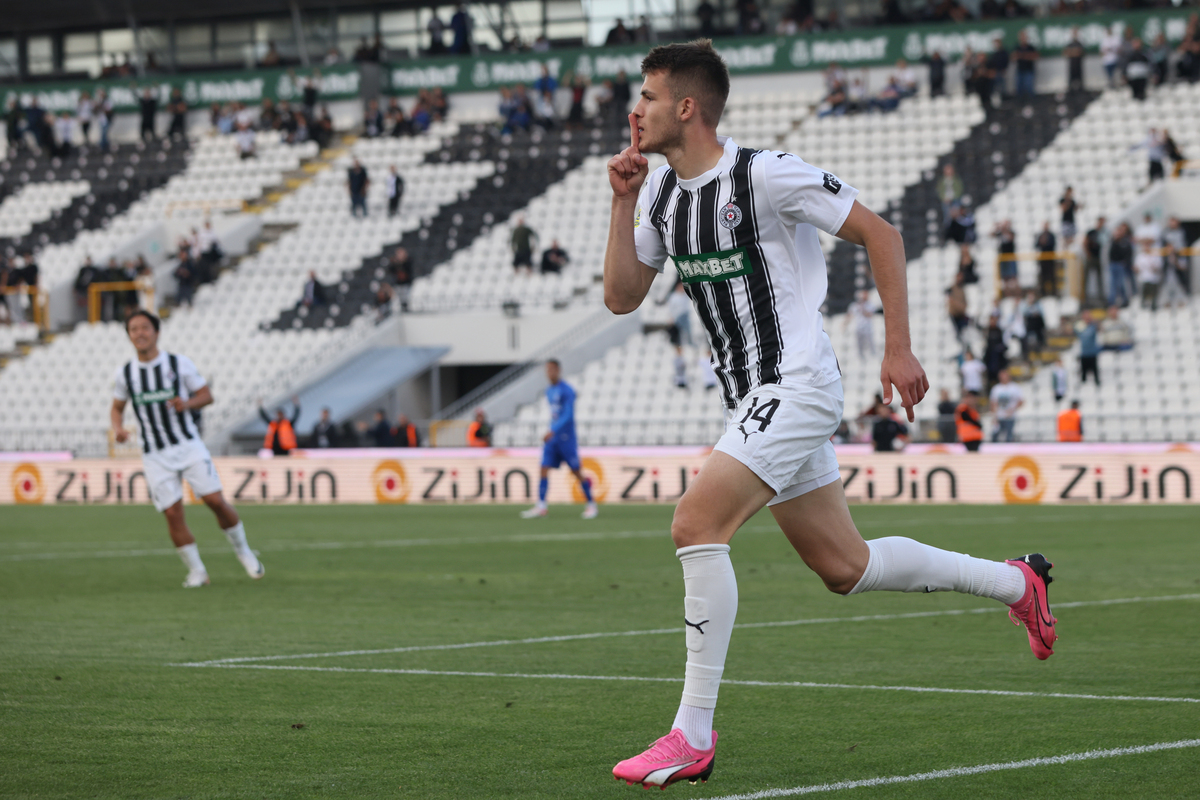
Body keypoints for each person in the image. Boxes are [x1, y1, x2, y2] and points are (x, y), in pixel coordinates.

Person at [604, 40, 1057, 788]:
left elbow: (882, 233)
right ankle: (1019, 585)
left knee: (695, 524)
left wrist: (899, 348)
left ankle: (691, 733)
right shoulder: (656, 195)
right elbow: (622, 296)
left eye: (647, 96)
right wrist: (621, 204)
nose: (635, 109)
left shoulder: (764, 175)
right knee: (845, 568)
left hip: (797, 382)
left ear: (686, 107)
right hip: (750, 395)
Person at [111, 310, 264, 588]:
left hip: (188, 445)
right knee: (172, 513)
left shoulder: (177, 364)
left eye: (145, 327)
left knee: (215, 501)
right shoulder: (126, 374)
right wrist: (118, 429)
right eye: (134, 329)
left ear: (156, 332)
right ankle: (197, 572)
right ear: (129, 336)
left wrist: (187, 403)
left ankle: (244, 551)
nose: (140, 333)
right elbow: (116, 408)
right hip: (155, 454)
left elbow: (206, 395)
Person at [520, 359, 597, 519]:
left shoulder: (567, 390)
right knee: (543, 468)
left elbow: (568, 415)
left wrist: (552, 430)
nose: (549, 373)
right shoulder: (549, 391)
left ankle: (591, 504)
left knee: (576, 472)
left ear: (558, 370)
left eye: (552, 369)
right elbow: (555, 415)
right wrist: (551, 431)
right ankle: (541, 506)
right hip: (553, 438)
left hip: (566, 438)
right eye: (547, 370)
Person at [989, 369, 1022, 442]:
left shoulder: (1015, 387)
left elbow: (1021, 401)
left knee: (1009, 436)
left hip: (1010, 417)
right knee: (995, 436)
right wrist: (994, 416)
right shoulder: (996, 388)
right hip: (999, 416)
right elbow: (993, 403)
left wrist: (1012, 409)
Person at [1108, 223, 1134, 307]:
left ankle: (1124, 300)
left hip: (1120, 264)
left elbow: (1127, 252)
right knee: (1113, 284)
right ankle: (1112, 301)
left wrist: (1125, 262)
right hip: (1113, 264)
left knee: (1120, 283)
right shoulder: (1114, 241)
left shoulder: (1125, 242)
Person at [1082, 217, 1106, 307]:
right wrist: (1088, 254)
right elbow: (1085, 243)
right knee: (1087, 277)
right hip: (1091, 257)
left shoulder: (1103, 233)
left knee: (1099, 278)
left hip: (1098, 257)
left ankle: (1101, 296)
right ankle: (1085, 297)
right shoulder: (1091, 232)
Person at [845, 289, 876, 357]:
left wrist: (862, 308)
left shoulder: (870, 305)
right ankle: (861, 356)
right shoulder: (854, 305)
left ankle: (873, 355)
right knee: (859, 344)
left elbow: (869, 314)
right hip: (858, 327)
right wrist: (845, 324)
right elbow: (849, 315)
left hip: (868, 328)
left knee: (870, 343)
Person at [1134, 240, 1162, 311]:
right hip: (1143, 278)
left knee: (1153, 294)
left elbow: (1158, 267)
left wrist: (1153, 267)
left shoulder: (1155, 255)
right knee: (1144, 293)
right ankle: (1143, 306)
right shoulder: (1140, 256)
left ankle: (1153, 305)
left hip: (1153, 278)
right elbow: (1136, 268)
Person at [666, 280, 692, 347]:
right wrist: (671, 317)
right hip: (677, 317)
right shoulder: (674, 296)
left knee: (686, 331)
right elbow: (671, 308)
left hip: (685, 315)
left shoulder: (685, 296)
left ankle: (688, 343)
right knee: (679, 333)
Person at [1035, 221, 1058, 297]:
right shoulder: (1040, 235)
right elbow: (1036, 245)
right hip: (1043, 259)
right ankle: (1043, 293)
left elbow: (1053, 245)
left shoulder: (1051, 235)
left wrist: (1046, 243)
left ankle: (1054, 292)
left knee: (1052, 276)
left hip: (1050, 259)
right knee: (1043, 277)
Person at [1064, 28, 1085, 93]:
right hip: (1072, 64)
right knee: (1071, 78)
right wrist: (1074, 52)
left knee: (1079, 78)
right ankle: (1071, 90)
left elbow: (1080, 52)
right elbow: (1066, 53)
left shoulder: (1080, 43)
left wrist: (1074, 52)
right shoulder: (1069, 44)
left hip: (1078, 64)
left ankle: (1080, 89)